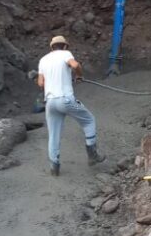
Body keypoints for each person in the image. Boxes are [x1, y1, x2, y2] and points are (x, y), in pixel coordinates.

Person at [37, 35, 105, 176]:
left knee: (53, 135)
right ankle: (92, 155)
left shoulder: (43, 60)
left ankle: (54, 167)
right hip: (65, 99)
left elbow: (41, 83)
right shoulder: (65, 54)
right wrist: (79, 75)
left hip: (50, 103)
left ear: (52, 47)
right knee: (89, 120)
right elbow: (75, 65)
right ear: (65, 46)